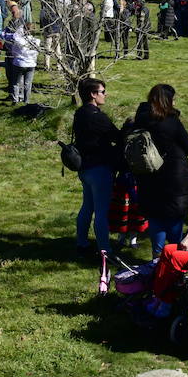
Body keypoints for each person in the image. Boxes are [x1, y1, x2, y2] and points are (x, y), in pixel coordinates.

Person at [129, 85, 188, 258]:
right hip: (174, 175)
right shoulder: (171, 121)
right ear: (167, 101)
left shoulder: (141, 120)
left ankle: (156, 257)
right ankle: (174, 258)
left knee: (155, 216)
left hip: (148, 174)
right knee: (174, 218)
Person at [72, 78, 118, 259]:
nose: (105, 95)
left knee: (87, 207)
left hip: (84, 167)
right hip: (99, 168)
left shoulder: (80, 113)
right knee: (101, 211)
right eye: (102, 92)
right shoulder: (97, 117)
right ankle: (105, 250)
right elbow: (117, 135)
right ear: (93, 94)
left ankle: (82, 242)